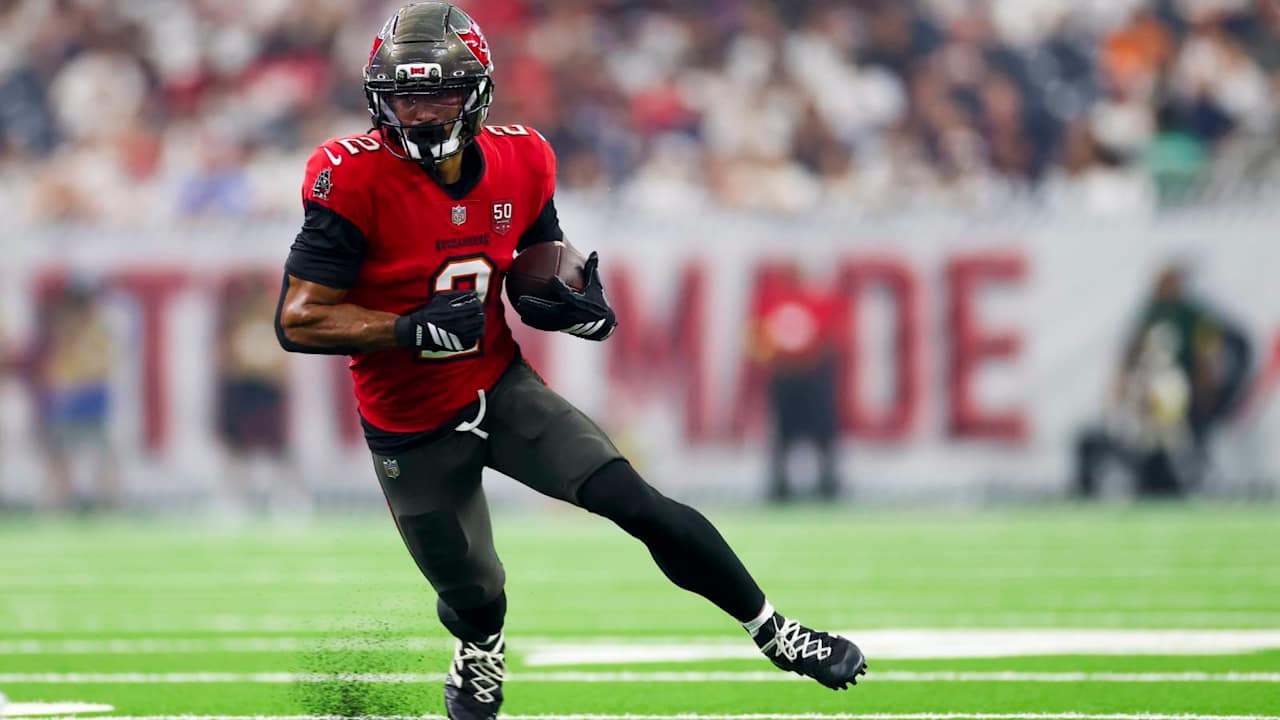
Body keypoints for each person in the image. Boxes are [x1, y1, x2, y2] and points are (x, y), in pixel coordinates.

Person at [274, 4, 866, 719]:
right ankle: (480, 647)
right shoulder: (351, 176)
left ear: (477, 93)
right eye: (408, 97)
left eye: (441, 93)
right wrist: (408, 330)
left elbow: (542, 258)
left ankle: (776, 632)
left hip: (500, 387)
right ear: (380, 100)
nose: (423, 113)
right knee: (473, 592)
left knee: (636, 503)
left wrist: (578, 300)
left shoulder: (523, 158)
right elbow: (298, 318)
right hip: (408, 423)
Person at [1074, 265, 1252, 497]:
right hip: (1147, 408)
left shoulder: (1192, 315)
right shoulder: (1150, 313)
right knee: (1124, 443)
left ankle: (1195, 481)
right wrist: (1126, 394)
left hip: (1179, 403)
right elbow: (1129, 357)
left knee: (1178, 448)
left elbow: (1207, 359)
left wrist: (1204, 397)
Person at [749, 265, 843, 502]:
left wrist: (814, 361)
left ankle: (828, 484)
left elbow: (832, 337)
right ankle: (780, 487)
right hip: (785, 376)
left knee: (823, 433)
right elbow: (758, 339)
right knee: (783, 435)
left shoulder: (818, 302)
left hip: (813, 376)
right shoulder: (773, 302)